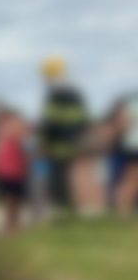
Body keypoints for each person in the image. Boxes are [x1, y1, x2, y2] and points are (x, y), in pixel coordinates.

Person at [38, 57, 88, 212]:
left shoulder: (53, 94)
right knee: (70, 176)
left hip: (57, 145)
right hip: (74, 143)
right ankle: (70, 206)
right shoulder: (75, 93)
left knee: (58, 177)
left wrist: (44, 143)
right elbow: (82, 121)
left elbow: (49, 123)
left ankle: (63, 208)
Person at [0, 107, 30, 233]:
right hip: (6, 171)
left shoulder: (16, 132)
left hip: (16, 170)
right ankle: (11, 224)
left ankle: (13, 223)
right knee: (9, 198)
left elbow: (25, 151)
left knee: (14, 198)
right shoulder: (1, 133)